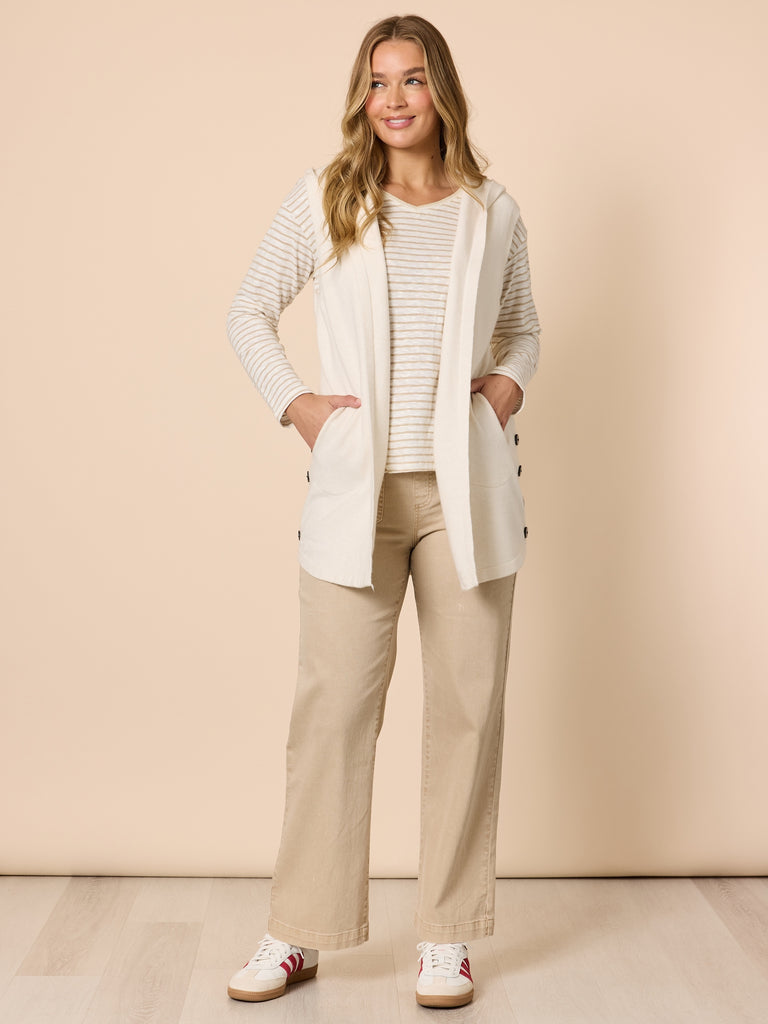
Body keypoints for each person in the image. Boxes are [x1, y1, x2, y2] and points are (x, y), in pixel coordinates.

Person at [225, 14, 541, 1010]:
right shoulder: (329, 196)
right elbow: (248, 310)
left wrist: (504, 390)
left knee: (469, 711)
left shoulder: (492, 211)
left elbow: (523, 329)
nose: (394, 99)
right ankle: (300, 929)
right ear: (362, 99)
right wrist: (299, 405)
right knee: (333, 710)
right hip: (356, 492)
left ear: (442, 89)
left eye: (411, 79)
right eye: (377, 82)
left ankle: (446, 937)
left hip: (465, 496)